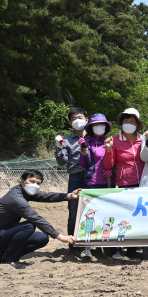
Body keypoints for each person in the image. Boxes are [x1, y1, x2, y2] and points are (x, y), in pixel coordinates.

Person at [0, 170, 80, 269]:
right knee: (28, 226)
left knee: (42, 238)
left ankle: (3, 258)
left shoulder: (23, 191)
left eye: (38, 183)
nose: (35, 185)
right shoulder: (16, 198)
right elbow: (36, 218)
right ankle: (9, 260)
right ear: (22, 181)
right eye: (31, 181)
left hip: (3, 235)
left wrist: (69, 196)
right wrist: (61, 237)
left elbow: (45, 196)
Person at [103, 108, 146, 260]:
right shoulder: (114, 140)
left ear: (137, 124)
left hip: (143, 184)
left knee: (137, 217)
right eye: (126, 121)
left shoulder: (144, 139)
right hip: (124, 184)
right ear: (121, 123)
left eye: (132, 121)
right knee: (122, 216)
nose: (128, 124)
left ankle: (133, 250)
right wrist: (108, 150)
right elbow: (108, 165)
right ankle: (116, 249)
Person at [76, 113, 113, 260]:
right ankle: (86, 247)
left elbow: (115, 160)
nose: (99, 127)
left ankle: (104, 246)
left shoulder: (110, 141)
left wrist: (111, 169)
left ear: (106, 126)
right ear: (91, 127)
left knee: (107, 215)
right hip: (91, 182)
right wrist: (83, 148)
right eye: (96, 124)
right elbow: (85, 163)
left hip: (108, 183)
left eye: (102, 124)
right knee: (89, 215)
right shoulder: (87, 141)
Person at [54, 106, 88, 254]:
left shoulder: (94, 137)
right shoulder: (66, 140)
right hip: (75, 179)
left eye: (80, 118)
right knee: (73, 213)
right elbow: (62, 162)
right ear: (69, 123)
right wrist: (58, 148)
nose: (77, 120)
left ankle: (93, 244)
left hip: (92, 179)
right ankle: (73, 245)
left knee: (92, 211)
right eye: (73, 119)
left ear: (86, 120)